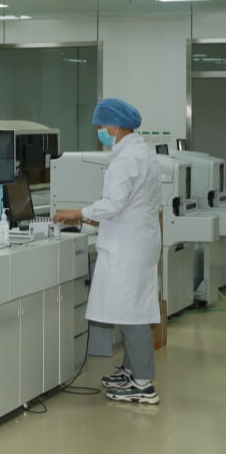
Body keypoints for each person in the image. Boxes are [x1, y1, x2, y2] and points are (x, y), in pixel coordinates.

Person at [52, 97, 161, 404]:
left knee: (132, 314)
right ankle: (131, 370)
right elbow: (130, 202)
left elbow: (114, 204)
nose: (99, 131)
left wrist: (77, 212)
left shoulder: (126, 160)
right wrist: (94, 216)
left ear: (115, 126)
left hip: (128, 247)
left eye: (101, 126)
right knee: (131, 309)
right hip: (137, 240)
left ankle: (143, 384)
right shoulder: (141, 151)